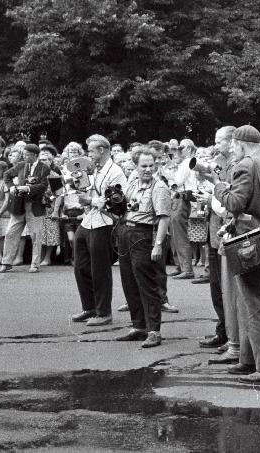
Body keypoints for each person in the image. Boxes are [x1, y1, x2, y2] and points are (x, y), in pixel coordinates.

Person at [211, 125, 260, 386]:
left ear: (241, 143)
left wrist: (218, 185)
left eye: (233, 145)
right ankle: (248, 360)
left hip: (251, 243)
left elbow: (234, 203)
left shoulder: (246, 165)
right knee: (250, 303)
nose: (232, 149)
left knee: (253, 305)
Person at [114, 149, 172, 348]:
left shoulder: (160, 187)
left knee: (147, 285)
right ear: (136, 167)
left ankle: (154, 330)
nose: (148, 169)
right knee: (129, 282)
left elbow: (164, 217)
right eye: (143, 166)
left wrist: (158, 244)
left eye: (151, 166)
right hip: (125, 232)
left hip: (143, 235)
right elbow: (124, 209)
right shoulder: (132, 184)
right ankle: (139, 326)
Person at [71, 134, 127, 326]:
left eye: (91, 151)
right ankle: (89, 307)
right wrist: (81, 191)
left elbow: (116, 201)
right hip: (89, 221)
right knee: (80, 265)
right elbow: (88, 192)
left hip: (104, 223)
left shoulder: (116, 172)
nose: (89, 155)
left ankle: (104, 312)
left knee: (100, 269)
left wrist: (91, 200)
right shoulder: (95, 170)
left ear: (101, 150)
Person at [195, 126, 235, 353]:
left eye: (219, 141)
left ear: (231, 142)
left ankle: (232, 337)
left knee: (226, 288)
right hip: (213, 232)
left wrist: (211, 197)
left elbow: (229, 199)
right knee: (216, 286)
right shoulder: (219, 161)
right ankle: (223, 331)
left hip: (226, 232)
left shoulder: (235, 165)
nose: (215, 145)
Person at [0, 144, 51, 273]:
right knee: (10, 233)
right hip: (19, 205)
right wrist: (11, 186)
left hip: (35, 206)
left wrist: (27, 188)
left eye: (27, 154)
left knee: (36, 236)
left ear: (34, 155)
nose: (24, 156)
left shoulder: (44, 168)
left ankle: (35, 264)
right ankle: (6, 262)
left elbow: (43, 185)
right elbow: (7, 175)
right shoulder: (21, 165)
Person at [170, 139, 197, 279]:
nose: (179, 150)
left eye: (182, 147)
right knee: (175, 233)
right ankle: (180, 266)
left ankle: (186, 268)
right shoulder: (186, 162)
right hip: (180, 197)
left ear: (189, 148)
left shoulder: (188, 162)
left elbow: (178, 181)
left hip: (183, 197)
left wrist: (167, 173)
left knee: (179, 233)